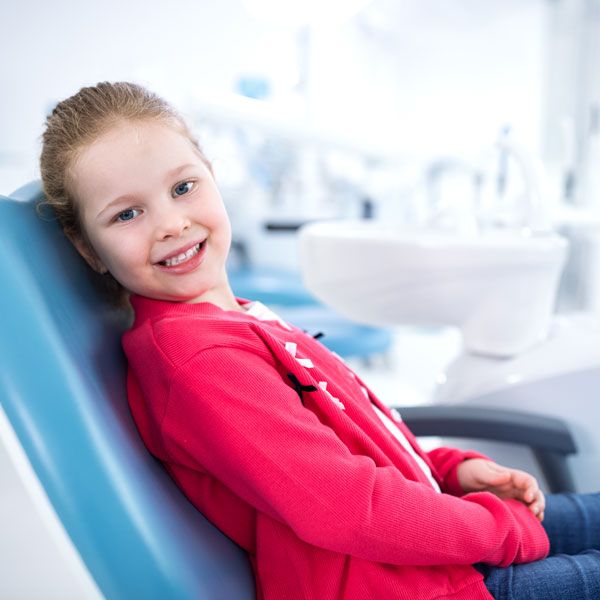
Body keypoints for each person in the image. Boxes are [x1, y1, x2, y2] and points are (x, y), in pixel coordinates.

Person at [39, 81, 600, 600]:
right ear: (87, 247)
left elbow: (348, 433)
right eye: (127, 214)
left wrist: (448, 469)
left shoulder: (234, 319)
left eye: (183, 187)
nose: (171, 224)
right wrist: (502, 528)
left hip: (425, 550)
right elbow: (348, 509)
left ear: (212, 175)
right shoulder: (201, 362)